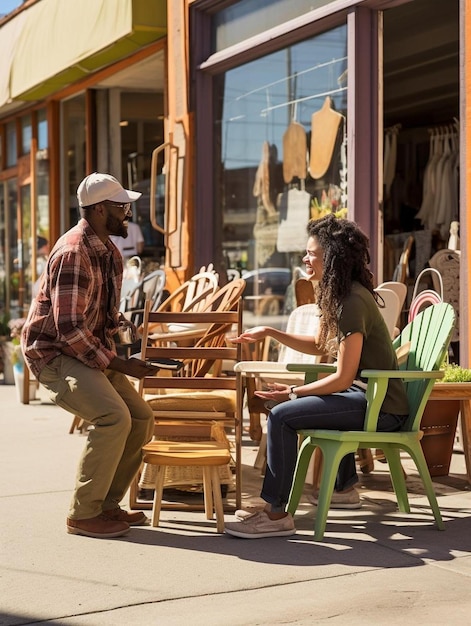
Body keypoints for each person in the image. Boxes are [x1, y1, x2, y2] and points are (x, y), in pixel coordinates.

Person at [224, 214, 409, 539]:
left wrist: (294, 393)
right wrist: (270, 332)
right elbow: (321, 345)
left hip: (380, 408)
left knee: (281, 414)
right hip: (365, 397)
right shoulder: (343, 295)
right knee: (285, 409)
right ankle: (333, 492)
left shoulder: (351, 301)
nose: (306, 259)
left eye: (313, 254)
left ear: (333, 258)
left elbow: (342, 378)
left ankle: (277, 514)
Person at [21, 172, 159, 539]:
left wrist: (122, 330)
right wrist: (120, 364)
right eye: (122, 206)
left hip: (87, 352)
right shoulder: (73, 253)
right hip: (53, 355)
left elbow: (99, 315)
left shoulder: (109, 251)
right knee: (113, 417)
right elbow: (68, 329)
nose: (128, 212)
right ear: (99, 210)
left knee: (141, 417)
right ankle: (83, 514)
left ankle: (106, 506)